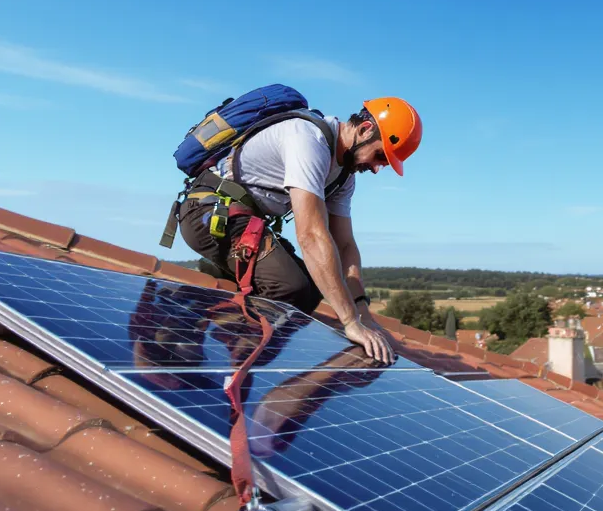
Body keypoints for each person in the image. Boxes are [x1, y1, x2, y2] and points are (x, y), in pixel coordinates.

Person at [175, 97, 422, 364]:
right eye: (380, 156)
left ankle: (236, 349)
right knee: (291, 287)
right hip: (208, 214)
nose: (376, 168)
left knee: (309, 292)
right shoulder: (308, 140)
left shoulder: (343, 176)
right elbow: (311, 236)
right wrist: (349, 322)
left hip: (240, 222)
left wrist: (362, 313)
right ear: (364, 129)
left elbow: (345, 245)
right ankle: (191, 319)